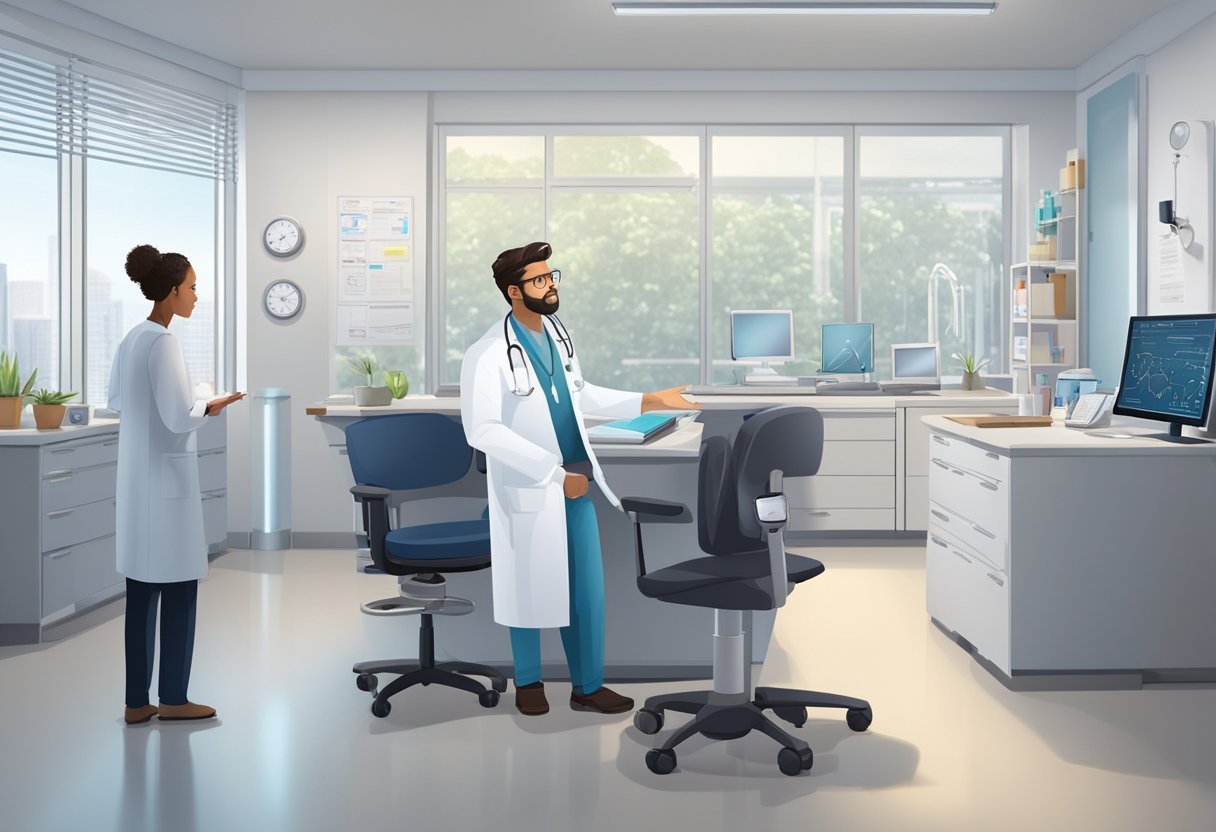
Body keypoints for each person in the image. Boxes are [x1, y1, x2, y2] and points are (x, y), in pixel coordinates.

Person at [460, 242, 697, 717]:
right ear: (514, 291)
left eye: (552, 277)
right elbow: (481, 429)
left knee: (586, 593)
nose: (550, 286)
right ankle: (528, 683)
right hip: (531, 489)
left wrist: (649, 400)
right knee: (527, 588)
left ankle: (587, 686)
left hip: (577, 487)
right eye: (539, 280)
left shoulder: (556, 335)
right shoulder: (486, 354)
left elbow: (581, 396)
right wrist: (550, 473)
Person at [109, 245, 244, 725]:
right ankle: (173, 697)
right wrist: (211, 405)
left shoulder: (132, 338)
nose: (195, 296)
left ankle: (135, 702)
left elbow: (119, 400)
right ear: (169, 292)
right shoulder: (164, 342)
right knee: (182, 589)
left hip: (139, 484)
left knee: (141, 596)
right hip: (165, 491)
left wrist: (192, 405)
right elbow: (175, 416)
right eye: (190, 288)